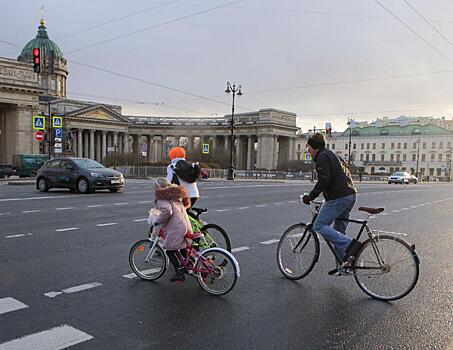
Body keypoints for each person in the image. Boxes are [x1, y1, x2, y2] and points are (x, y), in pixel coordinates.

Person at [302, 133, 361, 274]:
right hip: (350, 195)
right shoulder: (331, 155)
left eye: (308, 147)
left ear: (314, 147)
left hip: (339, 197)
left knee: (319, 225)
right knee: (339, 232)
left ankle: (350, 245)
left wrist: (311, 196)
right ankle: (343, 266)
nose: (307, 150)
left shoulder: (322, 157)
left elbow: (324, 181)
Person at [152, 177, 192, 282]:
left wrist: (157, 221)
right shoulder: (176, 194)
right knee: (182, 247)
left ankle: (179, 272)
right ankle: (190, 265)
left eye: (155, 187)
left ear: (159, 188)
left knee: (170, 250)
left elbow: (167, 211)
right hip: (185, 224)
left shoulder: (163, 198)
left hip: (177, 227)